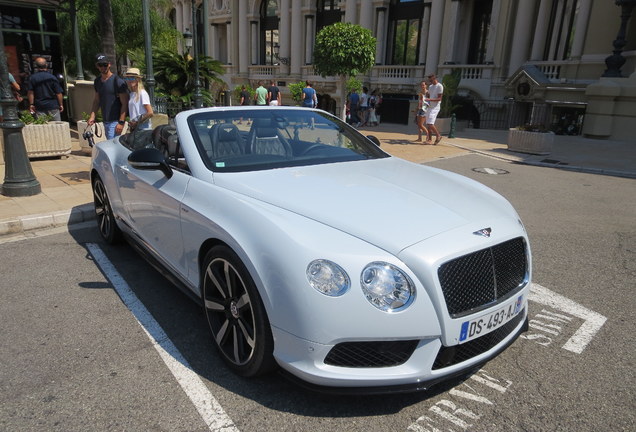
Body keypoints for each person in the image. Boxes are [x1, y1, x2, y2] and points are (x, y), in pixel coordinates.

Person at [88, 54, 129, 139]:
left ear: (109, 64)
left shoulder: (118, 81)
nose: (103, 67)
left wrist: (121, 122)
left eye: (105, 64)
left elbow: (125, 103)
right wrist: (92, 116)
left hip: (115, 121)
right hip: (105, 120)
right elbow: (97, 100)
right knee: (111, 146)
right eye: (100, 65)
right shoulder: (97, 81)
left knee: (112, 146)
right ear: (97, 66)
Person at [425, 74, 444, 145]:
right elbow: (429, 95)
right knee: (428, 123)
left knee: (430, 123)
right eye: (429, 80)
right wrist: (426, 96)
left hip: (435, 107)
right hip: (430, 106)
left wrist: (430, 99)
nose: (430, 81)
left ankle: (438, 135)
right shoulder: (430, 86)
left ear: (434, 79)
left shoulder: (440, 86)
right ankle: (430, 139)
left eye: (431, 80)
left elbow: (439, 98)